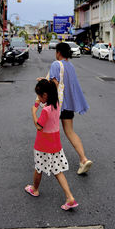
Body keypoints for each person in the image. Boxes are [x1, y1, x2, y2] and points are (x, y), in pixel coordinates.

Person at [24, 79, 78, 211]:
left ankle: (35, 189)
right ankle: (70, 197)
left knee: (38, 168)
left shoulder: (45, 110)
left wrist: (33, 112)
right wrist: (39, 99)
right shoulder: (56, 104)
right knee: (57, 171)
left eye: (39, 95)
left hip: (43, 146)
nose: (38, 98)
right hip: (55, 145)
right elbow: (53, 87)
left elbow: (39, 126)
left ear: (45, 95)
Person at [48, 42, 93, 174]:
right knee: (70, 132)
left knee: (50, 132)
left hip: (57, 104)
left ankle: (51, 160)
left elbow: (54, 84)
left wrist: (43, 85)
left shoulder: (56, 64)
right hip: (68, 105)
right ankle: (83, 159)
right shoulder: (71, 66)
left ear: (59, 52)